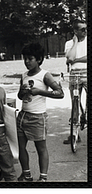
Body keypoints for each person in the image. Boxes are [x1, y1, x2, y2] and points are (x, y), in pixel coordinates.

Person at [17, 42, 64, 182]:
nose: (26, 62)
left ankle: (43, 177)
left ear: (38, 59)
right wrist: (23, 92)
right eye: (24, 58)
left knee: (41, 148)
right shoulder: (24, 75)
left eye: (30, 58)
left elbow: (60, 93)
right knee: (20, 146)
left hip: (38, 117)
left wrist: (40, 92)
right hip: (23, 115)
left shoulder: (45, 75)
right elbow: (20, 96)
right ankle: (26, 174)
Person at [63, 20, 87, 144]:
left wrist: (76, 59)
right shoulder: (69, 43)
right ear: (75, 31)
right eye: (82, 29)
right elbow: (69, 58)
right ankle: (73, 134)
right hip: (74, 75)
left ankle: (85, 115)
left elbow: (73, 59)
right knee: (74, 104)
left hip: (87, 74)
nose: (85, 31)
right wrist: (75, 43)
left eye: (86, 29)